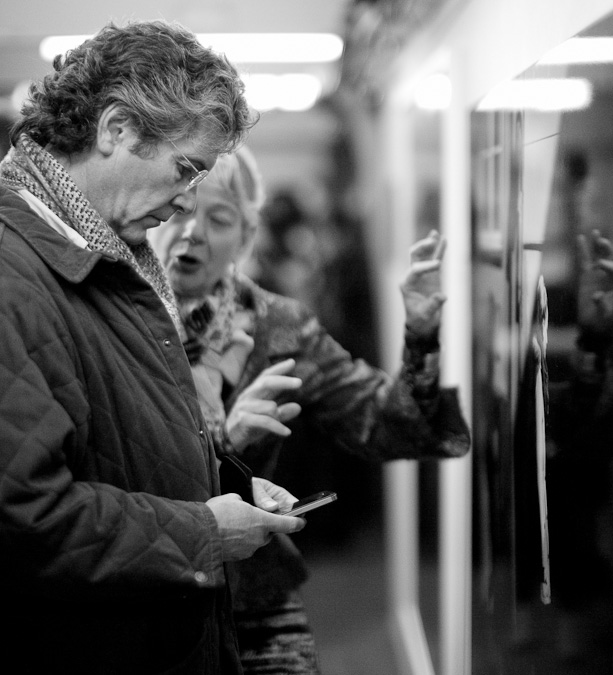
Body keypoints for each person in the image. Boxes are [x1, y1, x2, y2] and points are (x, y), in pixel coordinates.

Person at [0, 21, 307, 675]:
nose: (190, 202)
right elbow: (23, 517)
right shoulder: (13, 271)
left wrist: (229, 487)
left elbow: (121, 439)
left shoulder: (110, 248)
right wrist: (204, 531)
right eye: (186, 168)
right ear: (116, 129)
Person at [150, 146, 471, 673]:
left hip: (255, 600)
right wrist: (221, 447)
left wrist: (421, 334)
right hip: (151, 598)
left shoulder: (281, 326)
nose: (193, 233)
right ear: (153, 215)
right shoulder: (116, 322)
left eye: (220, 218)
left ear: (246, 240)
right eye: (181, 209)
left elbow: (397, 424)